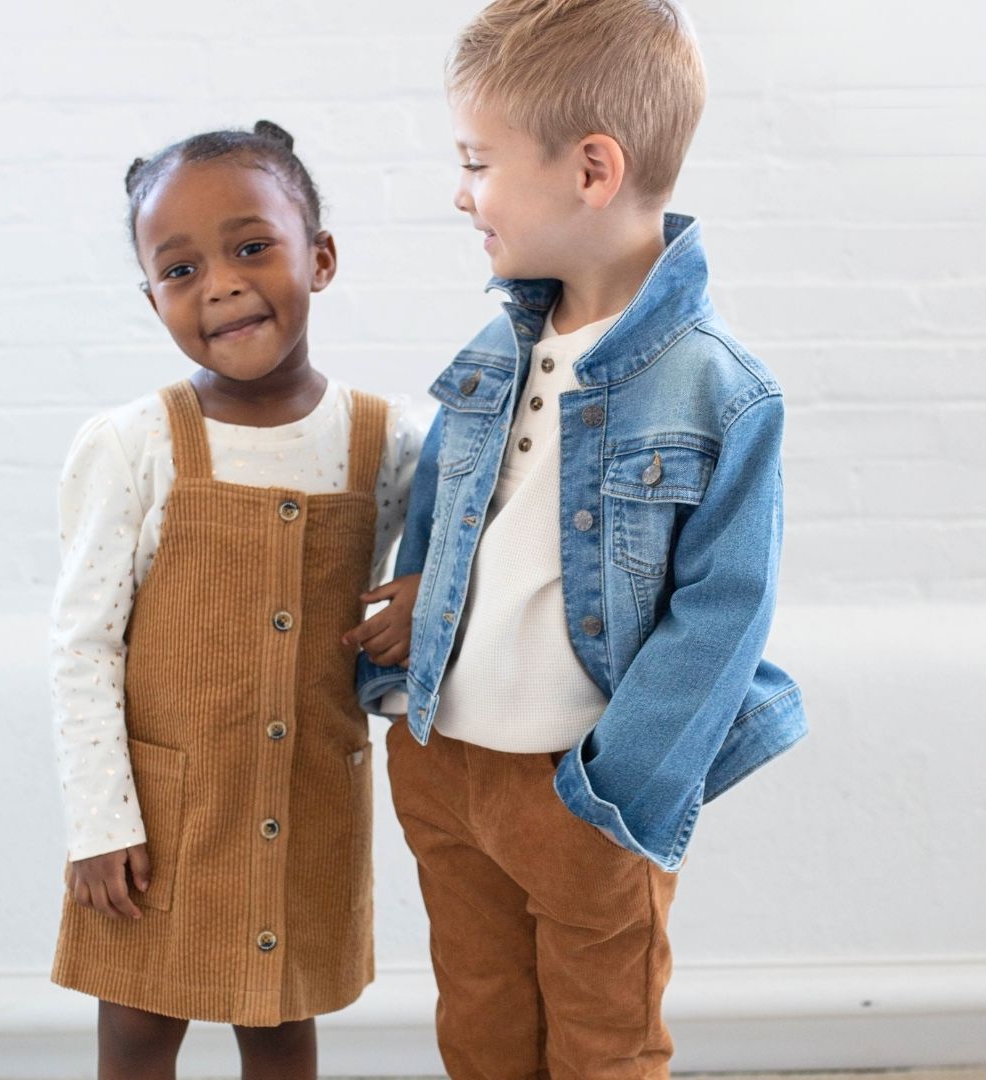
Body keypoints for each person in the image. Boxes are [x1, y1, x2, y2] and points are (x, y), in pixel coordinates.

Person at [348, 2, 808, 1076]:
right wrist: (422, 602)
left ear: (592, 170)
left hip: (581, 788)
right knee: (481, 1022)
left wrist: (614, 799)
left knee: (603, 1045)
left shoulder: (720, 391)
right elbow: (466, 513)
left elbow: (722, 616)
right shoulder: (491, 351)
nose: (461, 193)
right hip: (448, 763)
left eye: (477, 162)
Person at [49, 120, 421, 1080]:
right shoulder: (136, 445)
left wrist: (425, 593)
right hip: (162, 820)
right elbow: (82, 645)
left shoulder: (389, 442)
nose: (219, 282)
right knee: (137, 1030)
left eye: (252, 247)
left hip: (303, 804)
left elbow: (467, 557)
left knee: (280, 1026)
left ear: (321, 258)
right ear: (152, 299)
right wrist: (100, 826)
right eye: (180, 270)